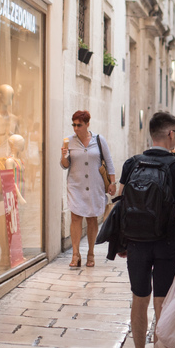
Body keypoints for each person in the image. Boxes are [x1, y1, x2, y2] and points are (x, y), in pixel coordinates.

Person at [117, 111, 175, 348]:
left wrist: (122, 241)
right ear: (172, 134)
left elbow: (119, 202)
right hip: (167, 242)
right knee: (162, 301)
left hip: (136, 242)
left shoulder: (131, 163)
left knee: (139, 298)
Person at [60, 110, 116, 267]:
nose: (76, 128)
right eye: (74, 125)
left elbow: (109, 161)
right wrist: (64, 156)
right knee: (75, 218)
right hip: (76, 185)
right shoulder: (68, 141)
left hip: (95, 186)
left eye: (79, 125)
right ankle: (75, 254)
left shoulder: (99, 140)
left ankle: (90, 253)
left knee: (92, 219)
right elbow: (65, 166)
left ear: (87, 124)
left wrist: (112, 182)